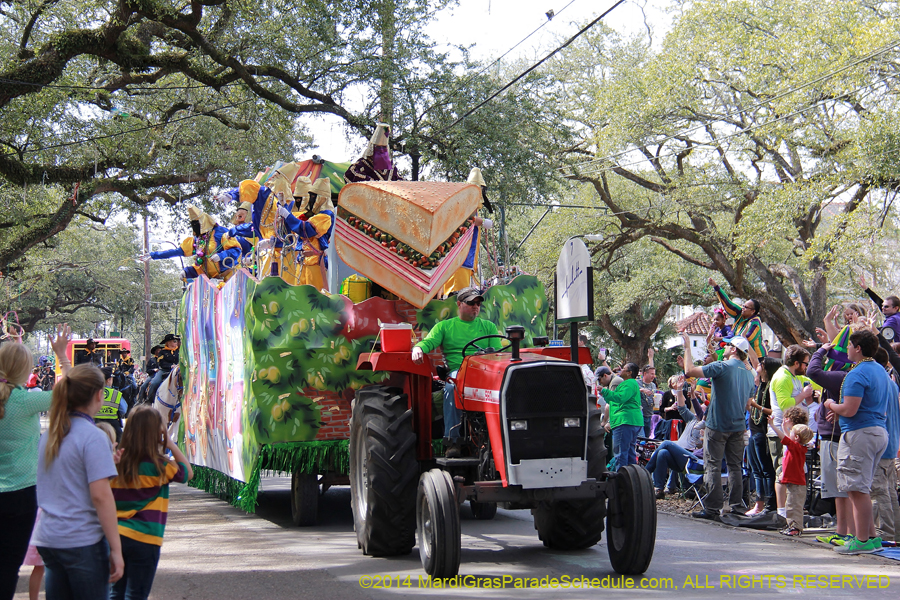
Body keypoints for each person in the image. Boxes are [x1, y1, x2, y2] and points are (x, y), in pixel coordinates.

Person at [33, 364, 124, 598]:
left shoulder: (50, 435)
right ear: (98, 394)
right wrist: (116, 548)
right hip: (81, 540)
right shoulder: (94, 437)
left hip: (50, 538)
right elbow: (101, 497)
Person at [0, 324, 71, 600]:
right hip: (20, 496)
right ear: (25, 370)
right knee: (8, 566)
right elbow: (69, 391)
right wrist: (61, 355)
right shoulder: (26, 401)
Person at [110, 406, 192, 600]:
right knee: (136, 594)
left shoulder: (116, 463)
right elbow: (188, 473)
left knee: (116, 592)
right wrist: (170, 444)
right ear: (158, 435)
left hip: (116, 536)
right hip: (146, 538)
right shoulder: (160, 466)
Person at [823, 329, 890, 554]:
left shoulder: (858, 372)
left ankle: (861, 541)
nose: (847, 350)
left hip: (860, 434)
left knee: (856, 488)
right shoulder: (880, 370)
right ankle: (870, 537)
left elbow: (849, 409)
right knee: (862, 487)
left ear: (858, 348)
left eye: (849, 346)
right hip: (877, 432)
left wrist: (831, 405)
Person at [412, 287, 499, 457]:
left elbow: (497, 354)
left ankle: (498, 437)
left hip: (485, 373)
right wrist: (418, 348)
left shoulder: (488, 326)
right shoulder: (445, 326)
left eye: (478, 303)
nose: (476, 306)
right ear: (459, 304)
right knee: (452, 387)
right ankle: (452, 440)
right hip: (459, 372)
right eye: (471, 303)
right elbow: (428, 342)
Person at [681, 331, 755, 520]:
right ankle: (737, 506)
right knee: (735, 466)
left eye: (728, 346)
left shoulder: (722, 366)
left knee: (712, 465)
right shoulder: (749, 374)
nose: (725, 348)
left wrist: (688, 346)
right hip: (738, 426)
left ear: (734, 350)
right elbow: (748, 404)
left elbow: (689, 370)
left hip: (718, 424)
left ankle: (712, 508)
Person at [807, 341, 856, 545]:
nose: (826, 360)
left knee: (841, 490)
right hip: (832, 437)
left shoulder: (839, 376)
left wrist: (820, 350)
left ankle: (849, 533)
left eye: (830, 357)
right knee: (838, 491)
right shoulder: (844, 376)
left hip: (834, 439)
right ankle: (842, 531)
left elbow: (812, 371)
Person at [646, 375, 706, 498]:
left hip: (692, 457)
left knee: (666, 443)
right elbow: (682, 408)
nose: (702, 406)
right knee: (662, 453)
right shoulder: (692, 419)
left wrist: (702, 436)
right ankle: (659, 489)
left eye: (704, 406)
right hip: (680, 456)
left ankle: (645, 473)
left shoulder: (707, 424)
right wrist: (679, 389)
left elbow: (704, 443)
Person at [148, 206, 242, 281]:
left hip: (232, 278)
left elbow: (236, 250)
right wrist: (153, 255)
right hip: (213, 283)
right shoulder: (198, 240)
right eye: (193, 224)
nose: (195, 226)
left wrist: (221, 256)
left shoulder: (221, 232)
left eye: (197, 223)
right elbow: (177, 252)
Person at [278, 177, 335, 291]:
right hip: (302, 262)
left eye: (314, 196)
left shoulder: (326, 215)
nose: (311, 199)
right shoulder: (311, 215)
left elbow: (306, 229)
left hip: (315, 264)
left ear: (322, 198)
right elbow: (293, 224)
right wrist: (284, 206)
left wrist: (287, 215)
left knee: (314, 299)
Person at [767, 345, 814, 476]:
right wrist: (803, 395)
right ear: (796, 363)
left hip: (790, 434)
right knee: (782, 474)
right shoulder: (783, 377)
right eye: (805, 363)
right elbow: (786, 406)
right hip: (780, 434)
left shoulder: (794, 376)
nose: (806, 367)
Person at [745, 357, 782, 516]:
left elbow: (773, 411)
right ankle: (758, 504)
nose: (758, 366)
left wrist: (756, 405)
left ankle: (770, 504)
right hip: (753, 430)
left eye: (761, 364)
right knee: (756, 470)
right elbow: (750, 362)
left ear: (766, 369)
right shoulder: (759, 385)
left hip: (762, 431)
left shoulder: (771, 387)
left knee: (766, 469)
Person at [767, 415, 814, 536]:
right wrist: (784, 426)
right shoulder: (798, 447)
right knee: (790, 505)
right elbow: (788, 438)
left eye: (791, 432)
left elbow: (784, 438)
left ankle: (796, 527)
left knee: (794, 506)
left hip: (797, 484)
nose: (789, 434)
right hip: (794, 482)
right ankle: (791, 526)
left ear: (797, 437)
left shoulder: (794, 447)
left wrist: (773, 425)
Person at [708, 277, 765, 364]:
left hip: (755, 358)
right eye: (743, 305)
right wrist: (715, 286)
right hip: (741, 355)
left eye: (746, 307)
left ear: (753, 311)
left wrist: (725, 339)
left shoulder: (755, 323)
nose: (743, 308)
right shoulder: (740, 313)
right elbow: (728, 304)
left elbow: (744, 340)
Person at [598, 363, 644, 469]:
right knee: (629, 452)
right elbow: (615, 401)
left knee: (621, 453)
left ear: (629, 373)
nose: (620, 370)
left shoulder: (629, 384)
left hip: (625, 421)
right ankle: (632, 478)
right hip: (631, 421)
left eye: (624, 369)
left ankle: (621, 480)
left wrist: (604, 391)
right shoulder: (629, 383)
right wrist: (606, 395)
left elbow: (620, 397)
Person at [859, 275, 900, 340]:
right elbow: (879, 301)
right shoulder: (895, 316)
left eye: (886, 307)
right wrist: (867, 289)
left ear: (896, 308)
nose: (883, 308)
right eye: (883, 306)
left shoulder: (893, 320)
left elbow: (881, 333)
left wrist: (868, 328)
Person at [146, 335, 179, 408]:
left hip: (177, 371)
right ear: (168, 342)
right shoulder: (163, 352)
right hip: (164, 370)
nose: (176, 343)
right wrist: (170, 366)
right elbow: (161, 363)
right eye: (174, 341)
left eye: (176, 341)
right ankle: (149, 401)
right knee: (154, 383)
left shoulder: (179, 351)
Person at [96, 367, 128, 442]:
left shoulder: (93, 392)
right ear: (108, 380)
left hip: (95, 424)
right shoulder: (115, 394)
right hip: (113, 425)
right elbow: (123, 410)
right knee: (120, 442)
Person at [638, 354, 657, 437]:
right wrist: (642, 390)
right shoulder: (637, 383)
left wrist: (657, 402)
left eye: (654, 374)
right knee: (641, 437)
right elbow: (631, 391)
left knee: (647, 437)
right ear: (645, 374)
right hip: (640, 415)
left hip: (650, 415)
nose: (653, 376)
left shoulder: (653, 385)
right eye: (651, 374)